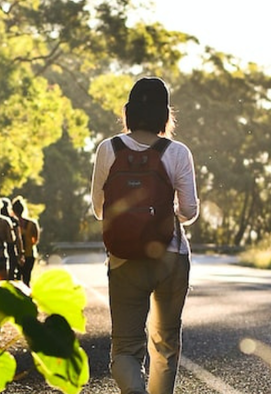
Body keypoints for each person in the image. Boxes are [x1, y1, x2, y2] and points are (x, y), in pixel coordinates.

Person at [92, 76, 199, 394]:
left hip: (124, 259)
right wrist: (166, 213)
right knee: (165, 345)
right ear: (166, 116)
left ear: (128, 112)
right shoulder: (177, 152)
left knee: (125, 349)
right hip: (171, 258)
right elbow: (189, 211)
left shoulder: (107, 149)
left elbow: (100, 210)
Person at [10, 196, 40, 286]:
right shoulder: (32, 224)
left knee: (16, 280)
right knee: (26, 279)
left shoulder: (11, 223)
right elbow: (35, 240)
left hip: (15, 255)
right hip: (29, 254)